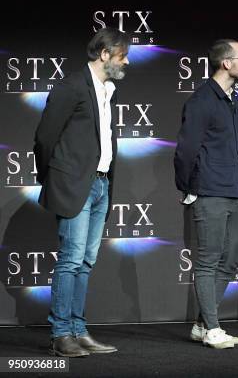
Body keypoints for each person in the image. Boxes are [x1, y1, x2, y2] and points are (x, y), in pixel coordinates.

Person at [34, 27, 129, 357]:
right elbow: (45, 137)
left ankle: (78, 329)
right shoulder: (72, 86)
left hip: (102, 184)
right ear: (104, 54)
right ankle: (61, 334)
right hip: (75, 185)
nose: (126, 61)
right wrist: (55, 177)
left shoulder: (108, 90)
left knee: (86, 262)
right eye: (122, 55)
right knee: (71, 260)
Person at [174, 39, 238, 349]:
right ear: (226, 63)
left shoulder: (235, 101)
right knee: (207, 261)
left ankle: (203, 324)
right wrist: (189, 187)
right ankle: (213, 328)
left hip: (237, 192)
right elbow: (185, 152)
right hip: (210, 192)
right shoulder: (201, 101)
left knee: (231, 261)